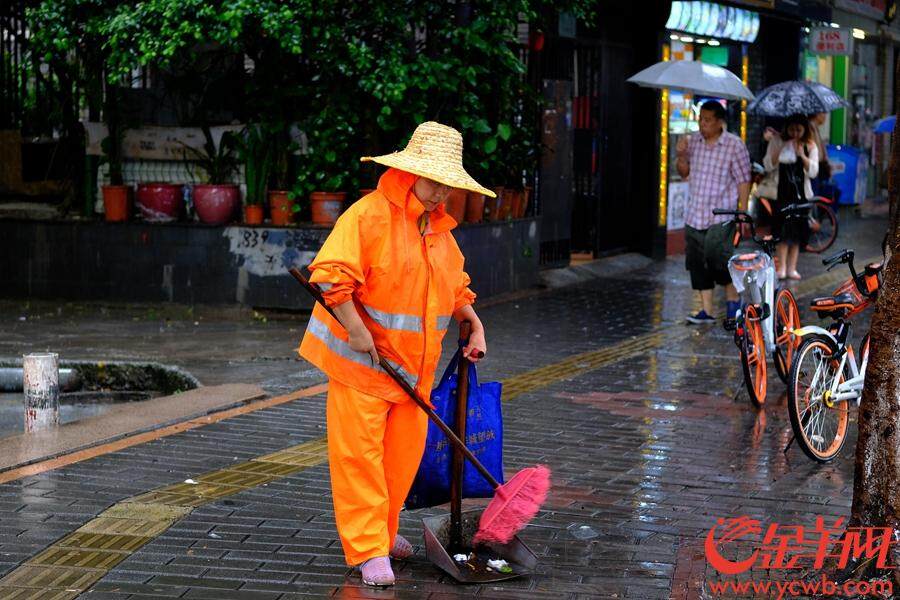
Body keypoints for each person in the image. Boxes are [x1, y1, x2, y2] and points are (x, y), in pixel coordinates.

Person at [298, 121, 490, 587]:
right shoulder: (368, 216)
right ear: (410, 173)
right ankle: (366, 550)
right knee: (360, 459)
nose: (439, 193)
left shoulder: (441, 233)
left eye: (447, 185)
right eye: (433, 182)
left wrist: (473, 320)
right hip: (362, 367)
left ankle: (382, 535)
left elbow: (453, 288)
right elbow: (329, 276)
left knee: (399, 462)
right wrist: (357, 330)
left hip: (411, 376)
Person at [675, 100, 751, 325]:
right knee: (696, 261)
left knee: (718, 257)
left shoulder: (734, 145)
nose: (702, 124)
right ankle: (706, 310)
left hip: (721, 215)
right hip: (695, 213)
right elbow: (684, 173)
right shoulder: (693, 142)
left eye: (707, 120)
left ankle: (733, 300)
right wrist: (681, 156)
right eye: (701, 119)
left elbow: (743, 180)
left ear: (719, 122)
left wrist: (743, 212)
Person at [763, 114, 819, 280]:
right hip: (781, 193)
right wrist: (781, 149)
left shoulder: (810, 145)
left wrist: (802, 155)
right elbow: (768, 165)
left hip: (801, 195)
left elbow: (814, 171)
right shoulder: (777, 141)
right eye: (792, 129)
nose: (795, 133)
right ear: (786, 128)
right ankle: (781, 268)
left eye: (799, 130)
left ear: (805, 130)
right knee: (781, 232)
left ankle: (792, 268)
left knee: (796, 233)